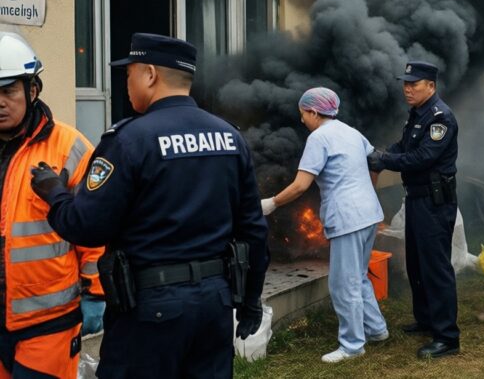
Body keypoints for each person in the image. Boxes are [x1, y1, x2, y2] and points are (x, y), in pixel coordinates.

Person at [30, 33, 269, 379]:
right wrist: (251, 299)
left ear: (150, 75)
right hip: (214, 305)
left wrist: (55, 193)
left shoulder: (129, 140)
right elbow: (254, 230)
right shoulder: (229, 137)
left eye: (129, 74)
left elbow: (86, 226)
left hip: (151, 310)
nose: (126, 84)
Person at [0, 32, 104, 379]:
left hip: (48, 322)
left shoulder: (69, 147)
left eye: (8, 91)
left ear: (32, 90)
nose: (0, 102)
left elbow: (96, 224)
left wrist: (96, 293)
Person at [260, 87, 388, 362]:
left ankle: (352, 346)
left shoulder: (319, 138)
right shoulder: (351, 132)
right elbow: (375, 161)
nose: (302, 120)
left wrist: (270, 203)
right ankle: (377, 330)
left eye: (303, 114)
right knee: (359, 276)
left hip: (348, 219)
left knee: (343, 284)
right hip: (368, 214)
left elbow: (300, 186)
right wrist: (367, 191)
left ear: (314, 112)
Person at [368, 61, 460, 358]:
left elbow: (421, 158)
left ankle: (447, 338)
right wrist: (380, 152)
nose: (407, 89)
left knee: (435, 268)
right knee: (417, 264)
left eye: (414, 84)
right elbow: (403, 146)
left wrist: (384, 161)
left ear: (431, 86)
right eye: (405, 83)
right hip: (418, 199)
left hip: (435, 203)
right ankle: (426, 320)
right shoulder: (418, 114)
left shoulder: (440, 118)